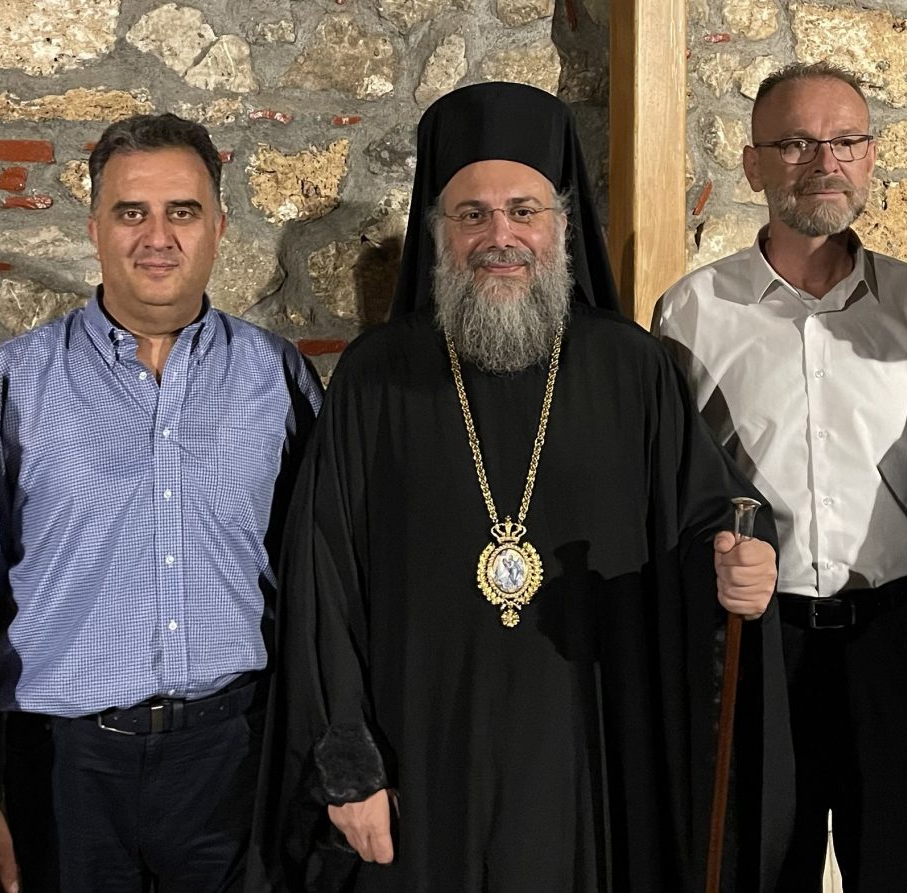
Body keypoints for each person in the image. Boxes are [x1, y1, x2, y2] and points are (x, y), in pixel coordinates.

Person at [262, 81, 793, 893]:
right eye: (472, 214)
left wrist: (741, 557)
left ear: (562, 225)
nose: (499, 236)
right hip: (419, 763)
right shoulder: (375, 379)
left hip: (591, 753)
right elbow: (321, 581)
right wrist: (349, 764)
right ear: (438, 231)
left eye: (523, 210)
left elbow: (707, 519)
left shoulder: (631, 369)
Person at [0, 113, 322, 893]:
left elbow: (319, 579)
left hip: (234, 762)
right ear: (94, 227)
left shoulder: (278, 379)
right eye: (131, 211)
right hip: (63, 771)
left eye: (182, 211)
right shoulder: (9, 386)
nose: (158, 237)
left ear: (218, 226)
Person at [655, 62, 907, 892]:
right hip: (762, 649)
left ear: (871, 157)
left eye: (846, 141)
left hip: (900, 638)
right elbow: (674, 493)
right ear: (752, 165)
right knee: (758, 869)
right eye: (795, 143)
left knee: (906, 870)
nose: (826, 162)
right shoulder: (692, 315)